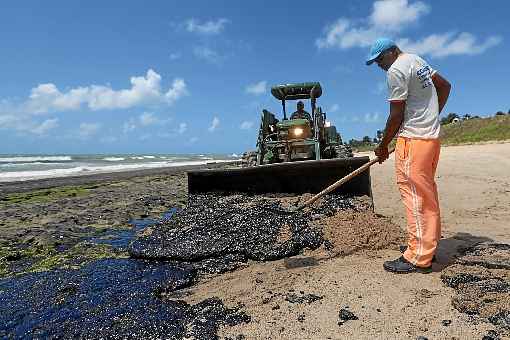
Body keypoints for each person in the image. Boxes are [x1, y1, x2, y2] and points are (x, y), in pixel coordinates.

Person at [366, 38, 451, 274]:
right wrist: (430, 117)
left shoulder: (396, 70)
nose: (380, 65)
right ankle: (427, 247)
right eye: (376, 63)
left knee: (415, 198)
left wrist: (382, 146)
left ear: (393, 52)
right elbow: (444, 86)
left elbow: (395, 115)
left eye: (381, 59)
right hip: (431, 140)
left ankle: (417, 257)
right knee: (426, 195)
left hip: (413, 142)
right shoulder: (416, 60)